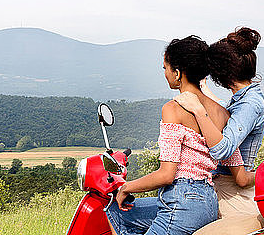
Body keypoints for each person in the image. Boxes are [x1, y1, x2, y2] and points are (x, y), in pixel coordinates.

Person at [106, 35, 253, 235]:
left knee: (115, 207)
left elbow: (166, 175)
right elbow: (239, 172)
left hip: (181, 200)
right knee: (117, 212)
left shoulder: (172, 110)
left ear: (177, 73)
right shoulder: (223, 113)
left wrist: (126, 187)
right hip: (209, 201)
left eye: (165, 68)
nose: (165, 74)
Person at [173, 27, 264, 234]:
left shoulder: (250, 104)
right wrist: (206, 94)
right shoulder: (242, 98)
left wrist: (199, 110)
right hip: (220, 186)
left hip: (232, 193)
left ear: (221, 73)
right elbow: (231, 118)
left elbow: (223, 149)